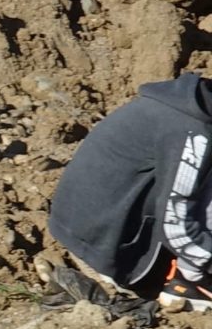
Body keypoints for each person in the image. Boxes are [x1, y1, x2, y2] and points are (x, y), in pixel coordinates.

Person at [46, 77, 212, 313]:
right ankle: (189, 280)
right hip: (106, 253)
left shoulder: (183, 104)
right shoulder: (193, 132)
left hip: (85, 231)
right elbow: (177, 224)